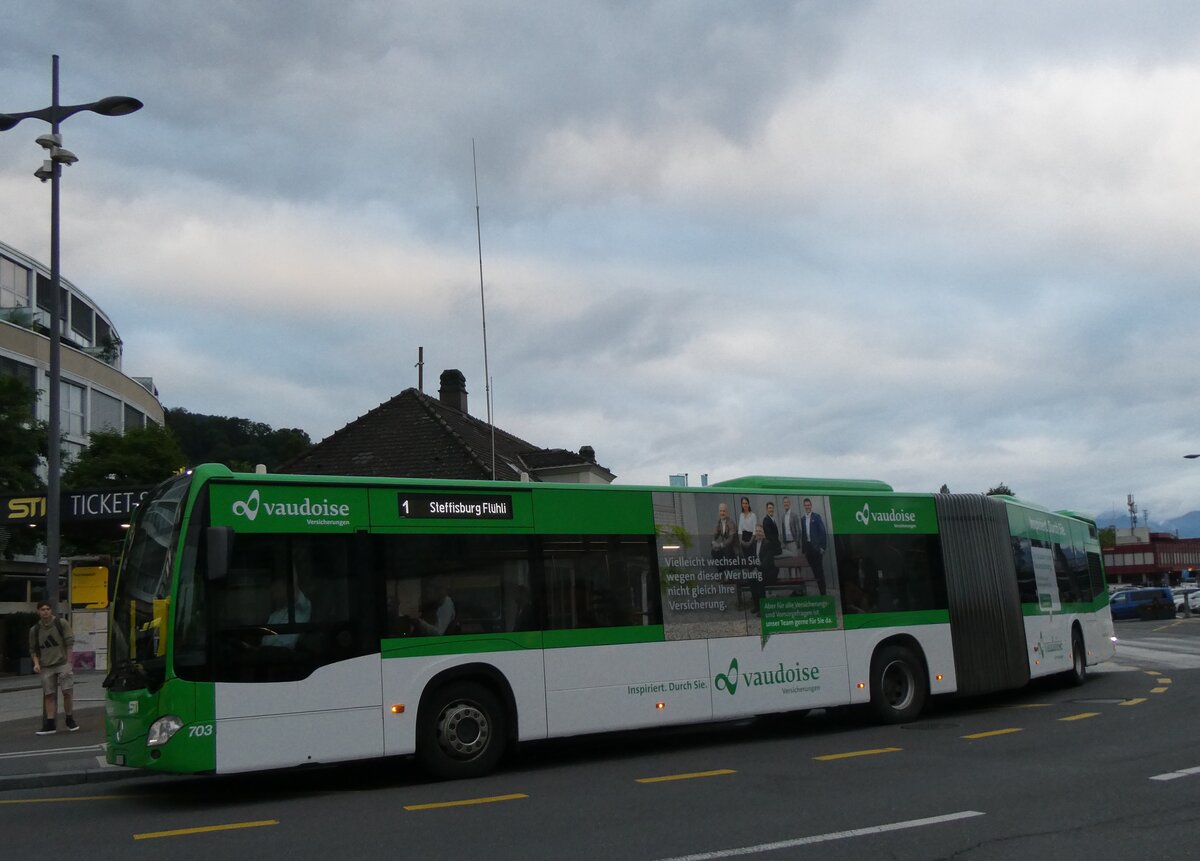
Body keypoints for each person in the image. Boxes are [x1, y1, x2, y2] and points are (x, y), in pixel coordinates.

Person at [29, 601, 78, 735]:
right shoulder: (35, 630)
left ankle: (69, 718)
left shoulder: (60, 623)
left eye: (48, 609)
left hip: (62, 663)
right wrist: (36, 663)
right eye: (42, 609)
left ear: (51, 610)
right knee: (48, 694)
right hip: (46, 665)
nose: (45, 611)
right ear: (38, 611)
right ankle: (50, 723)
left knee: (67, 691)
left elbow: (69, 642)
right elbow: (33, 650)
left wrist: (69, 661)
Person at [261, 578, 311, 648]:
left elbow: (295, 590)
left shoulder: (303, 607)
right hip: (267, 651)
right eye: (273, 593)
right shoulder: (274, 615)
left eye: (278, 591)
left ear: (288, 589)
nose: (275, 596)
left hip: (285, 652)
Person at [801, 497, 829, 595]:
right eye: (806, 505)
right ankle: (821, 591)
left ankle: (823, 593)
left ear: (811, 506)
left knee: (819, 571)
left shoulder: (816, 517)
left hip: (816, 548)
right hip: (808, 549)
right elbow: (803, 535)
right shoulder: (802, 519)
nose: (807, 507)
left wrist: (822, 547)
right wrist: (804, 550)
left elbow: (822, 532)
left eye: (809, 505)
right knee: (815, 572)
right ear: (804, 506)